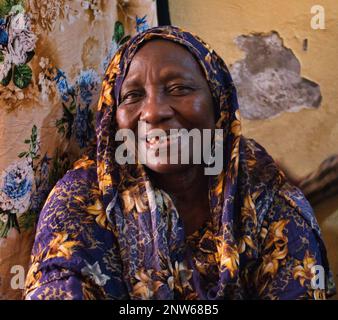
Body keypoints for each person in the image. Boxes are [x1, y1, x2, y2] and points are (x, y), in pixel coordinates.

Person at [23, 26, 335, 300]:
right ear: (113, 118)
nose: (154, 112)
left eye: (179, 89)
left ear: (219, 105)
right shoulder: (82, 199)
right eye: (132, 95)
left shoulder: (265, 195)